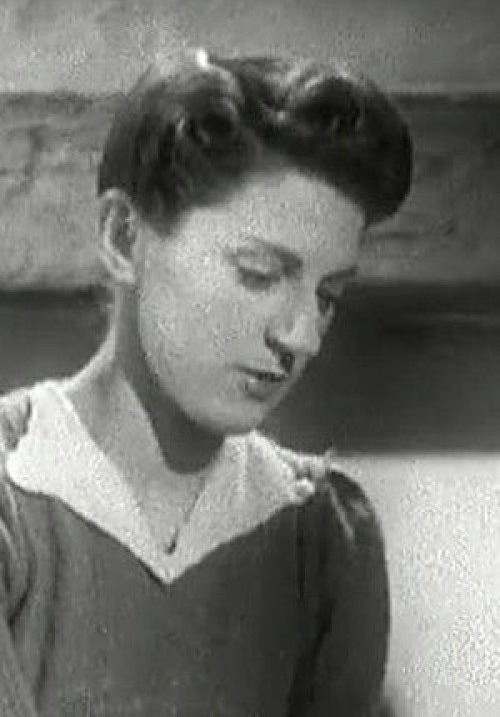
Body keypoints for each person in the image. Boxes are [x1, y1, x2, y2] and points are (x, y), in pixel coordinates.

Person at [0, 49, 412, 717]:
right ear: (125, 236)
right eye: (259, 274)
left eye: (328, 296)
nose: (303, 337)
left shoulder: (323, 536)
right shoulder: (16, 497)